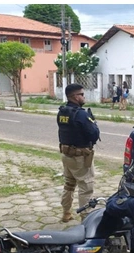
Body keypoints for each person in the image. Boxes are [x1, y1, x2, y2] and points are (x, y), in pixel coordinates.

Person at [57, 84, 100, 223]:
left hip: (66, 155)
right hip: (80, 157)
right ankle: (86, 219)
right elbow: (93, 134)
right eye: (82, 94)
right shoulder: (81, 114)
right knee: (86, 187)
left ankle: (66, 213)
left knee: (69, 184)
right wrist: (94, 123)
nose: (84, 96)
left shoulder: (63, 112)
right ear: (75, 96)